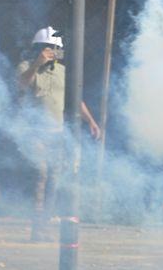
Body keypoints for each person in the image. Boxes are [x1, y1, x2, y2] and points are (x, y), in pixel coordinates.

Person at [15, 26, 101, 241]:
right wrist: (37, 64)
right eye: (50, 48)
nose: (53, 52)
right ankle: (36, 227)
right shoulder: (26, 66)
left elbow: (75, 99)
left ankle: (43, 225)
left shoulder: (63, 72)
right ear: (39, 48)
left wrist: (90, 120)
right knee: (41, 175)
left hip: (56, 133)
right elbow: (21, 85)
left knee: (54, 178)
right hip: (34, 132)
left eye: (56, 48)